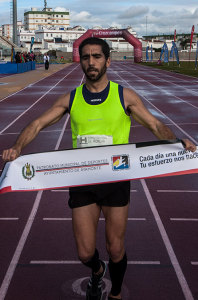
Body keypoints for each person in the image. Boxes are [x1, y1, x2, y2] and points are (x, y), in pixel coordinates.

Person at [2, 37, 196, 300]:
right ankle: (97, 268)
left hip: (116, 180)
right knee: (84, 252)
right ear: (80, 61)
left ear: (108, 60)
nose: (91, 62)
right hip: (82, 180)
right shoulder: (71, 98)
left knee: (115, 247)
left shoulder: (123, 95)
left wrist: (175, 141)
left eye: (96, 56)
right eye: (86, 57)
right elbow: (36, 124)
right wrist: (17, 147)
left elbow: (154, 125)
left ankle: (115, 293)